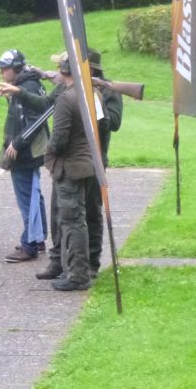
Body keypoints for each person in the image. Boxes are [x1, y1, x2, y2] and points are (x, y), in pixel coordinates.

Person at [41, 53, 94, 290]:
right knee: (78, 221)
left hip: (70, 167)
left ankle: (78, 276)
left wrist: (49, 154)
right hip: (86, 164)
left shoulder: (66, 98)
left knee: (72, 222)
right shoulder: (90, 94)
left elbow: (59, 138)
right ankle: (76, 270)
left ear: (64, 72)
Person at [0, 49, 49, 263]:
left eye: (4, 68)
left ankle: (30, 244)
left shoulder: (28, 87)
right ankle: (38, 238)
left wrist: (17, 142)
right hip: (28, 151)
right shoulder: (26, 85)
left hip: (26, 153)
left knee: (28, 199)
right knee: (33, 196)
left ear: (16, 68)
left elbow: (36, 121)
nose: (1, 73)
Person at [85, 48, 123, 279]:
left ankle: (93, 261)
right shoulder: (75, 88)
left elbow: (114, 123)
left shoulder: (108, 90)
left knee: (92, 210)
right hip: (75, 158)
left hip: (97, 157)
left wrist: (98, 99)